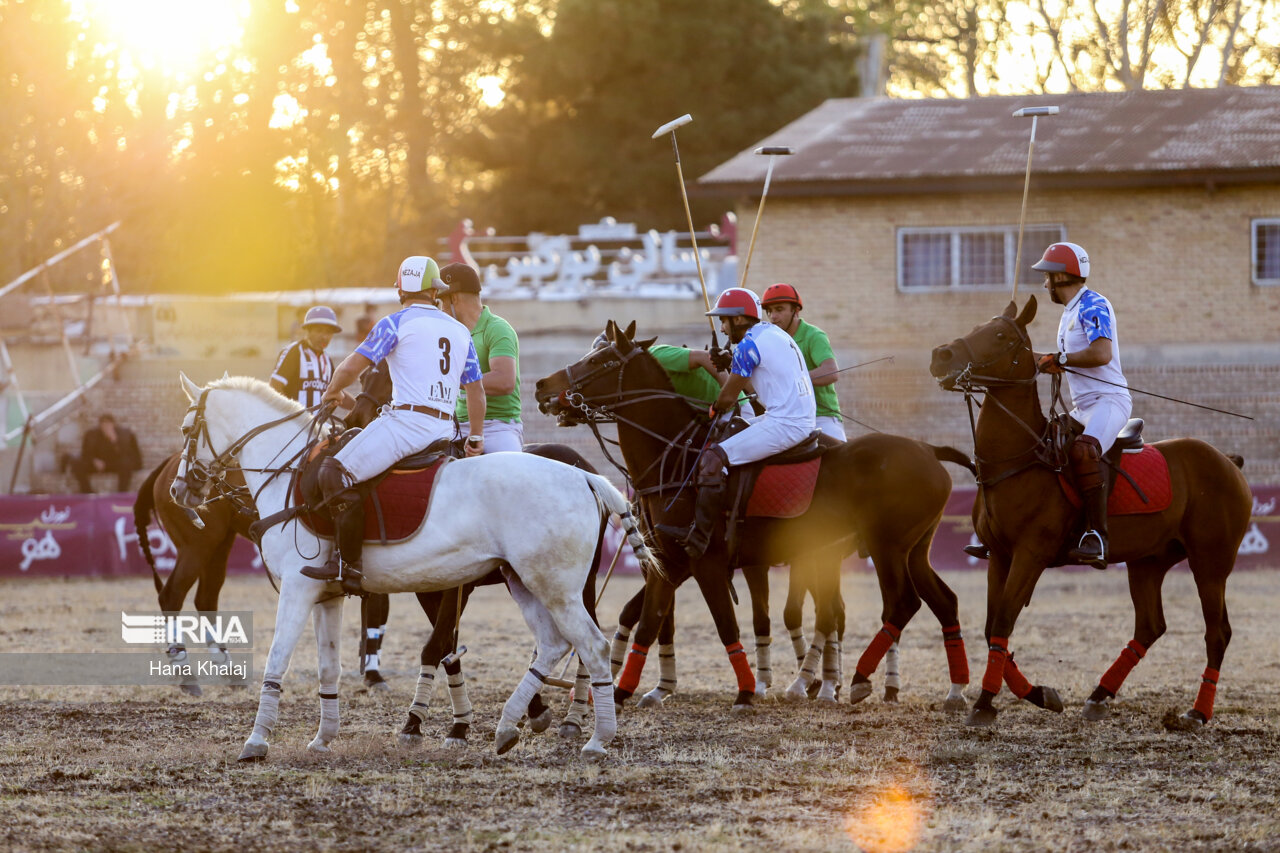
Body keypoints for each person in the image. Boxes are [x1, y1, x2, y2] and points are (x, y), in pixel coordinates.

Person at [302, 256, 486, 593]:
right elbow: (476, 390)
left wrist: (333, 389)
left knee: (334, 472)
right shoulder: (460, 331)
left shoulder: (395, 323)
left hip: (407, 424)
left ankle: (348, 563)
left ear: (401, 289)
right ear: (434, 291)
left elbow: (352, 367)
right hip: (446, 429)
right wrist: (476, 436)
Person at [656, 287, 816, 559]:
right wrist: (730, 362)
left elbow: (729, 397)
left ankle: (699, 537)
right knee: (734, 433)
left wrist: (713, 408)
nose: (722, 327)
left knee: (712, 458)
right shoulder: (771, 333)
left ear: (739, 319)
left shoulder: (748, 345)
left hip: (785, 423)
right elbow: (757, 378)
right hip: (796, 417)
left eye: (724, 320)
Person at [1033, 241, 1132, 570]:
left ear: (1061, 276)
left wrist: (1060, 358)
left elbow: (1101, 353)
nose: (1044, 283)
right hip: (1082, 407)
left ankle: (1097, 536)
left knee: (1084, 452)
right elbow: (1066, 359)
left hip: (1109, 401)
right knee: (1044, 443)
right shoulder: (1068, 313)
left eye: (1047, 276)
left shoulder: (1093, 304)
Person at [436, 262, 523, 453]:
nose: (440, 310)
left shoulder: (498, 328)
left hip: (497, 428)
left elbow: (504, 381)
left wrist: (452, 379)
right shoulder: (451, 333)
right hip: (455, 427)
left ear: (454, 298)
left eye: (442, 303)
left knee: (508, 474)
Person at [760, 283, 846, 441]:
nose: (773, 316)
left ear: (796, 310)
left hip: (822, 418)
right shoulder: (771, 340)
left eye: (779, 309)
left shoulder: (814, 336)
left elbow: (831, 373)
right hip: (785, 420)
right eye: (769, 311)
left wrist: (792, 380)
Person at [270, 306, 341, 408]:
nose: (324, 336)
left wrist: (357, 405)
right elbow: (275, 386)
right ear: (307, 330)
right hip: (294, 422)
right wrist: (290, 413)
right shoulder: (294, 352)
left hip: (318, 423)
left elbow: (336, 391)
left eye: (329, 332)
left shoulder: (327, 360)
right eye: (319, 330)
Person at [67, 413, 142, 493]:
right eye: (103, 423)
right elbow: (86, 453)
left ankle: (121, 492)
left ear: (113, 424)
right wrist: (94, 461)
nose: (106, 426)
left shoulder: (123, 435)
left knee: (126, 464)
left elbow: (126, 455)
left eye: (108, 423)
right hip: (97, 465)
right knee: (77, 463)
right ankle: (87, 492)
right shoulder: (92, 435)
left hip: (114, 464)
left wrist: (114, 441)